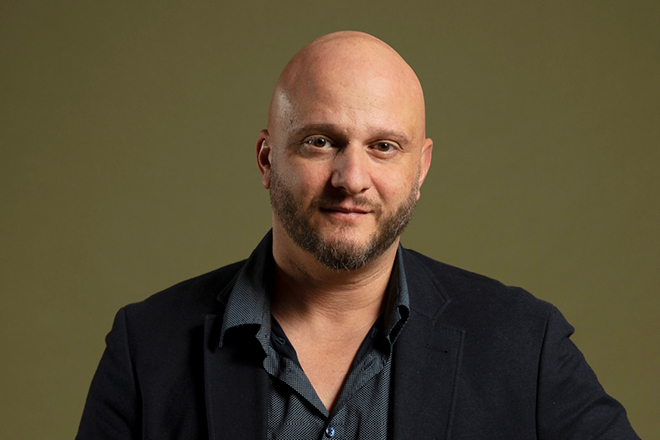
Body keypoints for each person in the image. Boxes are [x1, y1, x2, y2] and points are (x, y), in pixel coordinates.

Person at [77, 31, 639, 439]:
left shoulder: (524, 346)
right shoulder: (145, 350)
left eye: (383, 147)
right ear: (267, 159)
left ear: (420, 169)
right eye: (321, 142)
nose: (351, 179)